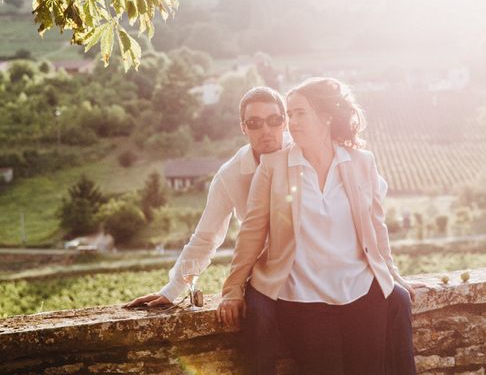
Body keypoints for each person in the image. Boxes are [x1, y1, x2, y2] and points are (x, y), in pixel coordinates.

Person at [218, 78, 419, 375]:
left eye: (300, 113)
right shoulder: (273, 166)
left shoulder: (362, 162)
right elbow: (251, 232)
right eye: (290, 114)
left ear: (325, 117)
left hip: (360, 291)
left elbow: (376, 229)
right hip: (303, 296)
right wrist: (232, 288)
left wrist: (393, 275)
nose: (291, 122)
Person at [125, 86, 288, 374]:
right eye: (255, 122)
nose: (267, 129)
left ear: (285, 121)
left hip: (312, 268)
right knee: (259, 321)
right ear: (243, 128)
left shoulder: (304, 155)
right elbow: (207, 237)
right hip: (265, 275)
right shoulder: (229, 175)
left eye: (274, 120)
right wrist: (173, 288)